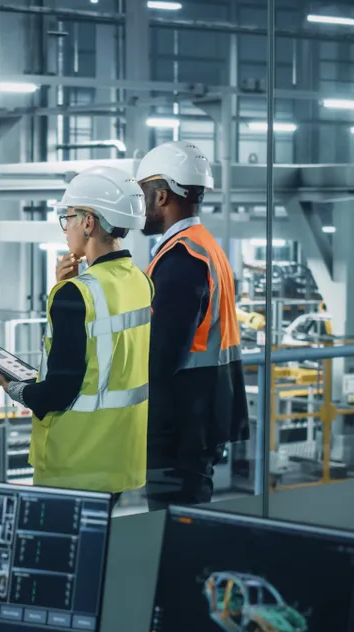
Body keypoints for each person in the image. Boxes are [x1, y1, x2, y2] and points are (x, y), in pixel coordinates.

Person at [2, 166, 152, 499]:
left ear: (89, 222)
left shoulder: (74, 294)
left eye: (68, 218)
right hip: (120, 458)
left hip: (75, 463)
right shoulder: (140, 282)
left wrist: (12, 387)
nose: (65, 228)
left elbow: (58, 391)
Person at [134, 140, 250, 510]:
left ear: (163, 196)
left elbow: (162, 355)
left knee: (175, 526)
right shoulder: (205, 246)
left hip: (180, 420)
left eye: (144, 195)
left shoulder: (182, 258)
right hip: (204, 411)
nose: (141, 207)